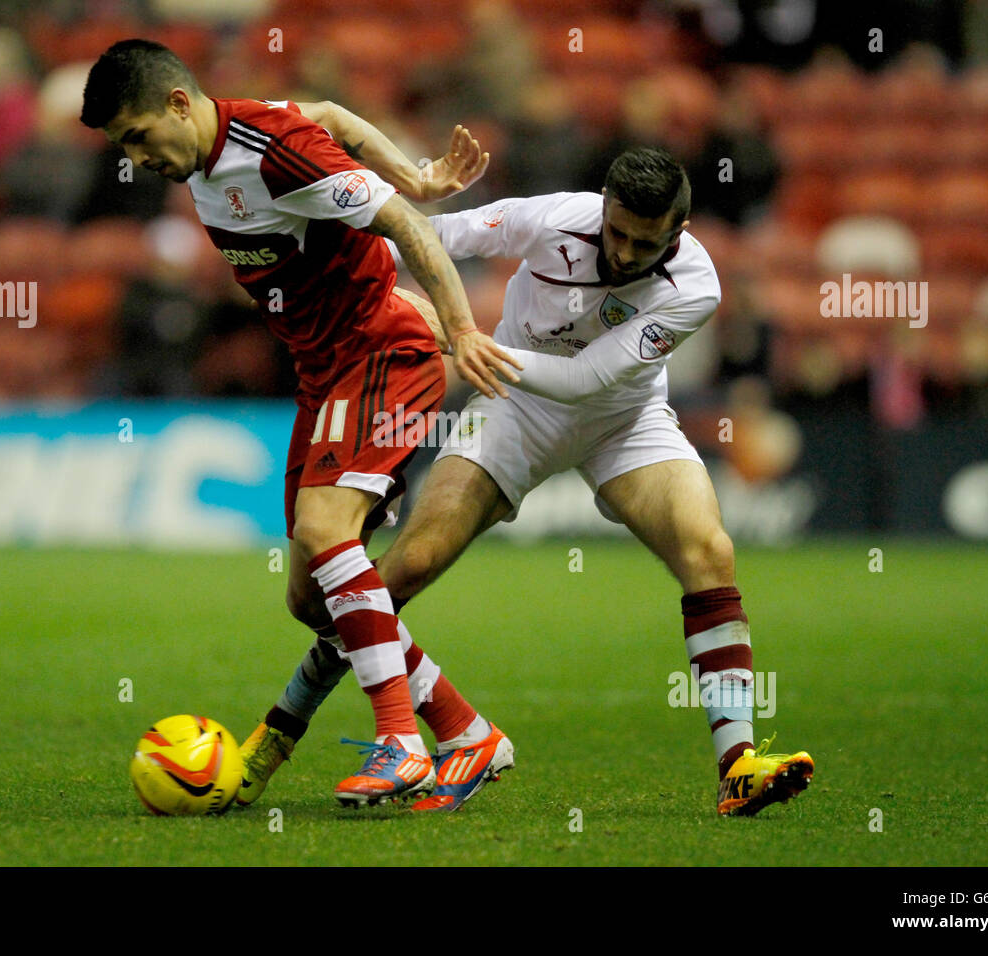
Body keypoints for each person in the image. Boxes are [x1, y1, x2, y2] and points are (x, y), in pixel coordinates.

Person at [241, 142, 815, 816]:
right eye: (619, 232)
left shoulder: (695, 286)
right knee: (400, 572)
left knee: (710, 551)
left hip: (622, 420)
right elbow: (435, 234)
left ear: (677, 232)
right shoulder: (554, 218)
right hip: (513, 411)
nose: (627, 253)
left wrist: (465, 341)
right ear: (604, 209)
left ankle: (738, 766)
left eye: (646, 242)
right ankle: (285, 723)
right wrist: (345, 272)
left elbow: (587, 380)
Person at [80, 39, 521, 806]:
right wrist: (413, 165)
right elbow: (330, 113)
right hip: (325, 377)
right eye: (124, 145)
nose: (136, 157)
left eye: (138, 136)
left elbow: (408, 229)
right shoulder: (236, 140)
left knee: (327, 531)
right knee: (311, 600)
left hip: (383, 351)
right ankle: (463, 729)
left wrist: (462, 328)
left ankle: (398, 743)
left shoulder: (275, 152)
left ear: (179, 104)